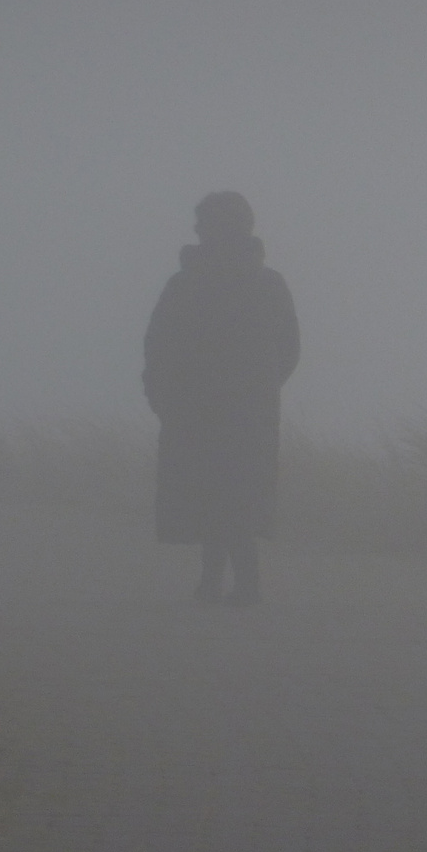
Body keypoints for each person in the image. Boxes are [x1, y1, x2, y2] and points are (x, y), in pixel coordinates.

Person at [143, 192, 299, 605]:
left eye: (203, 223)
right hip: (237, 410)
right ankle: (232, 581)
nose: (196, 230)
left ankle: (228, 582)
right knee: (233, 492)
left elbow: (158, 344)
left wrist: (164, 391)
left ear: (217, 229)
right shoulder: (265, 284)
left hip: (207, 408)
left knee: (215, 490)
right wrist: (261, 388)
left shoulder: (190, 283)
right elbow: (289, 349)